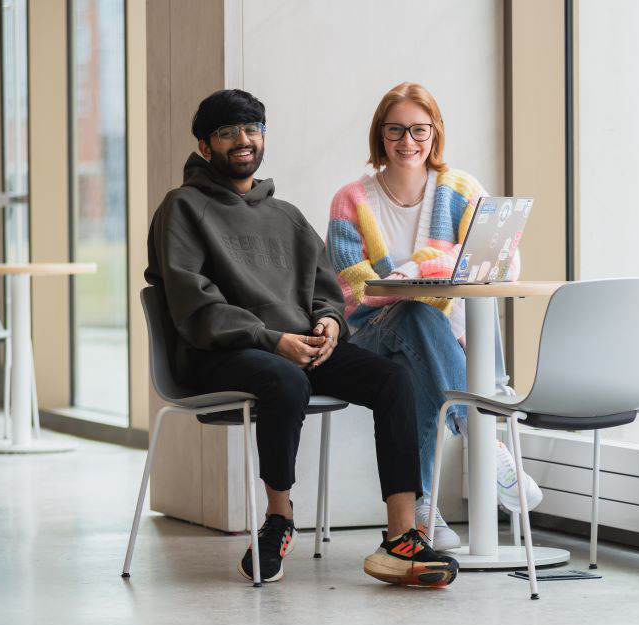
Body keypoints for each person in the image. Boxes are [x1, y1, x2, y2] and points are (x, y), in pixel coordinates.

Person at [145, 89, 458, 588]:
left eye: (251, 130)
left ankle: (401, 537)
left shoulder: (285, 215)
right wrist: (272, 340)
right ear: (205, 147)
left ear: (263, 138)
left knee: (393, 380)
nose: (242, 141)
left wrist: (330, 323)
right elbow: (193, 304)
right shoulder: (181, 209)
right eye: (227, 132)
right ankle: (279, 519)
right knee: (285, 379)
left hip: (298, 347)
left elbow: (326, 288)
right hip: (222, 352)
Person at [327, 82, 542, 551]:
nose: (408, 141)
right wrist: (426, 276)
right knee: (412, 316)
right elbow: (355, 288)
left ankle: (422, 507)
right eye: (396, 130)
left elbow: (502, 262)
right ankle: (485, 439)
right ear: (380, 135)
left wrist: (419, 269)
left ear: (435, 132)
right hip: (370, 334)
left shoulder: (461, 190)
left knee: (414, 354)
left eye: (419, 129)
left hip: (448, 338)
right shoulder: (351, 200)